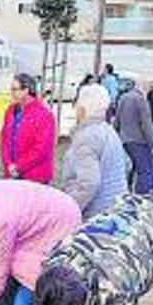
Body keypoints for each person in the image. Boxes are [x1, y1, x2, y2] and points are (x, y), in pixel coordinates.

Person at [61, 84, 128, 217]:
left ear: (83, 108)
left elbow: (88, 183)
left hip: (95, 213)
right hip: (116, 206)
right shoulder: (108, 130)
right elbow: (127, 164)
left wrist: (68, 211)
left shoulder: (86, 137)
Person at [0, 73, 56, 184]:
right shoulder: (10, 111)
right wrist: (8, 165)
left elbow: (41, 149)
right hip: (12, 174)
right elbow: (4, 140)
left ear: (27, 90)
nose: (11, 93)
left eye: (15, 89)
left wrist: (18, 167)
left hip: (35, 177)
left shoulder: (44, 114)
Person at [115, 77, 153, 194]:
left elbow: (116, 121)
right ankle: (141, 197)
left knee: (128, 170)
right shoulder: (141, 100)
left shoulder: (123, 97)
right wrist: (152, 143)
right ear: (144, 87)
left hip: (124, 139)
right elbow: (146, 124)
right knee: (145, 171)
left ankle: (126, 194)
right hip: (139, 141)